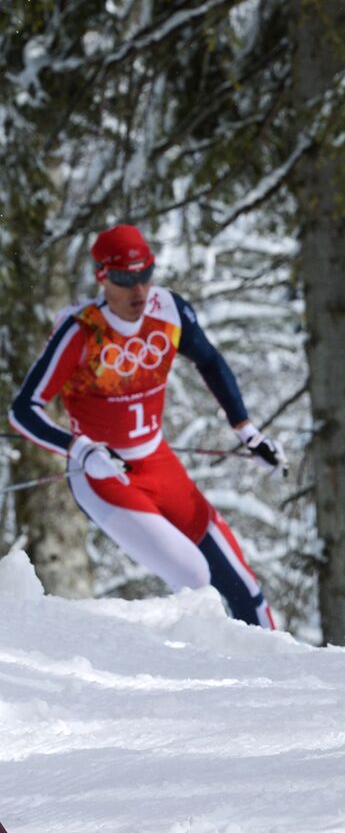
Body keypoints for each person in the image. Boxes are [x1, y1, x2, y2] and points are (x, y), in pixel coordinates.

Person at [8, 224, 284, 628]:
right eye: (124, 279)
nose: (138, 291)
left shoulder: (168, 311)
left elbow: (209, 360)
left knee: (243, 584)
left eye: (145, 275)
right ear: (102, 276)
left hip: (158, 462)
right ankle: (191, 679)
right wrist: (81, 449)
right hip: (103, 477)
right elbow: (23, 410)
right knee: (193, 575)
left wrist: (248, 432)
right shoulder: (81, 331)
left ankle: (283, 679)